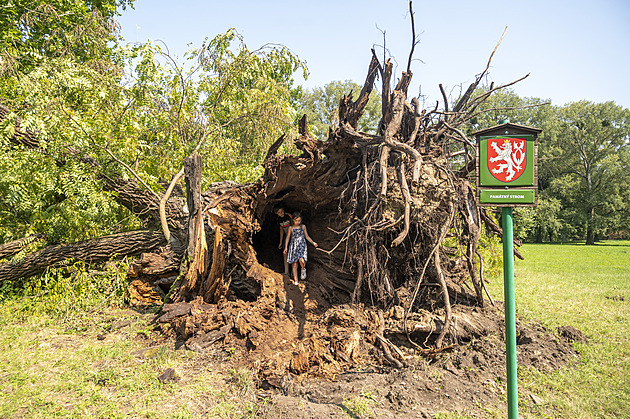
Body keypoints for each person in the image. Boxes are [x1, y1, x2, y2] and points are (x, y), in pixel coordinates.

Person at [283, 212, 318, 286]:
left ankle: (303, 269)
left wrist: (313, 242)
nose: (298, 222)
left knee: (301, 260)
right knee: (294, 264)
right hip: (293, 246)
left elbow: (307, 236)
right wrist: (286, 247)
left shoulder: (303, 227)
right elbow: (288, 238)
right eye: (296, 221)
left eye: (299, 221)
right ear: (293, 220)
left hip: (301, 245)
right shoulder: (291, 228)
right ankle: (296, 280)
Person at [275, 207, 292, 274]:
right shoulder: (279, 219)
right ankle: (286, 272)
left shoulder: (288, 216)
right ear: (276, 213)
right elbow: (281, 230)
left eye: (282, 211)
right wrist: (281, 242)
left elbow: (295, 225)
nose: (281, 213)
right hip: (286, 236)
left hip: (293, 236)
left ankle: (294, 273)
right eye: (279, 212)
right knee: (285, 254)